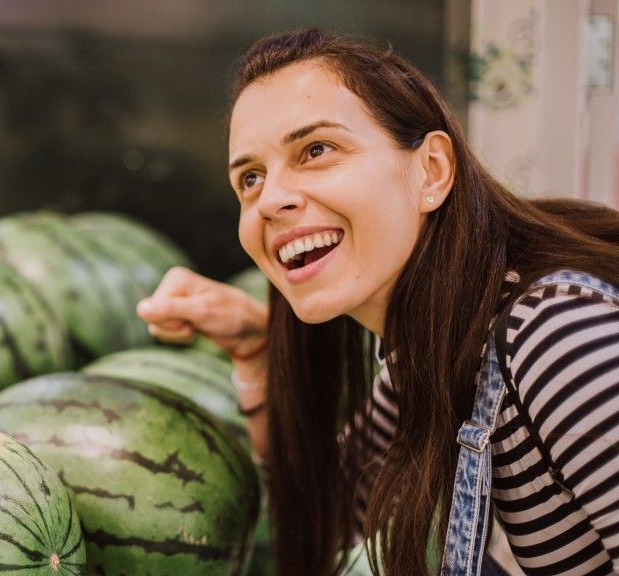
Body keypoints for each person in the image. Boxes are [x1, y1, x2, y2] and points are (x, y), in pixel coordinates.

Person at [137, 29, 619, 576]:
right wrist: (255, 352)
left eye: (316, 150)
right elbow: (334, 516)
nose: (271, 199)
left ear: (431, 171)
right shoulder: (424, 349)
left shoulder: (555, 334)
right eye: (250, 178)